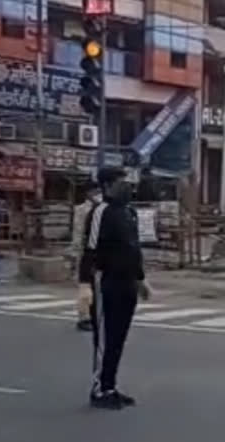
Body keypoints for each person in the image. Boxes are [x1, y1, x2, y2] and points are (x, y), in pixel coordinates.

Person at [78, 168, 152, 410]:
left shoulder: (129, 212)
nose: (127, 186)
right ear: (108, 185)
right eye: (122, 182)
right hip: (105, 281)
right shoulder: (101, 212)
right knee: (105, 339)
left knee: (119, 338)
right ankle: (99, 390)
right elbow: (89, 250)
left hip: (127, 282)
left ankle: (110, 386)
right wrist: (84, 284)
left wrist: (141, 280)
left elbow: (134, 249)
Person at [71, 184, 102, 331]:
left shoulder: (102, 208)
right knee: (85, 286)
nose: (98, 194)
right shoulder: (81, 209)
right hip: (85, 251)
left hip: (98, 252)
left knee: (96, 287)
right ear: (88, 193)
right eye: (95, 191)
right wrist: (76, 252)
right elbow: (78, 232)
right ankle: (83, 317)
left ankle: (93, 315)